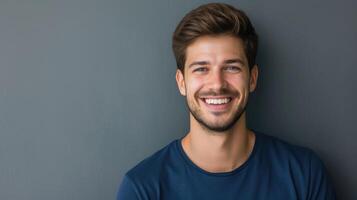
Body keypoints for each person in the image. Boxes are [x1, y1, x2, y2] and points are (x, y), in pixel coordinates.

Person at [117, 3, 336, 200]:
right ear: (181, 82)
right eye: (201, 69)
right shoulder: (142, 188)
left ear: (252, 78)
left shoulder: (303, 174)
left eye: (231, 67)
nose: (217, 84)